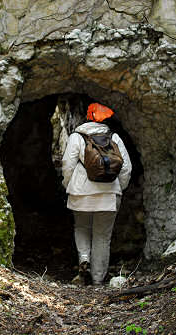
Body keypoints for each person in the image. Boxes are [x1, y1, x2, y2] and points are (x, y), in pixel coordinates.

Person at [62, 103, 132, 286]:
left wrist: (68, 184)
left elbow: (67, 165)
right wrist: (119, 189)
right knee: (102, 236)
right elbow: (126, 168)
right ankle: (98, 279)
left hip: (81, 193)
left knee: (82, 227)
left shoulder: (77, 137)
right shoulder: (114, 137)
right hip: (109, 195)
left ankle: (84, 258)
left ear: (88, 116)